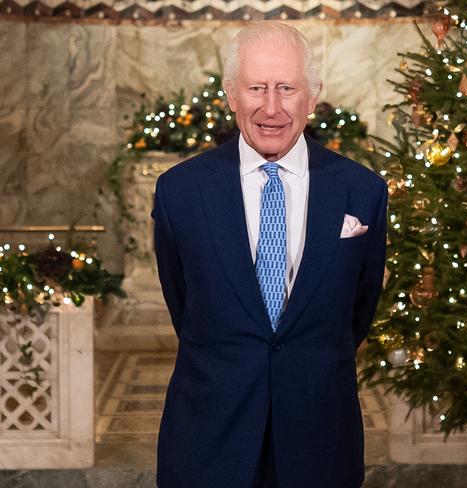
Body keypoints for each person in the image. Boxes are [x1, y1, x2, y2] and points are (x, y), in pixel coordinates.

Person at [151, 21, 388, 488]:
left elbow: (359, 310)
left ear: (312, 96)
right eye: (257, 88)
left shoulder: (362, 191)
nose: (272, 108)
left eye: (288, 88)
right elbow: (184, 302)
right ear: (231, 94)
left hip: (321, 438)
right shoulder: (180, 191)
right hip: (209, 436)